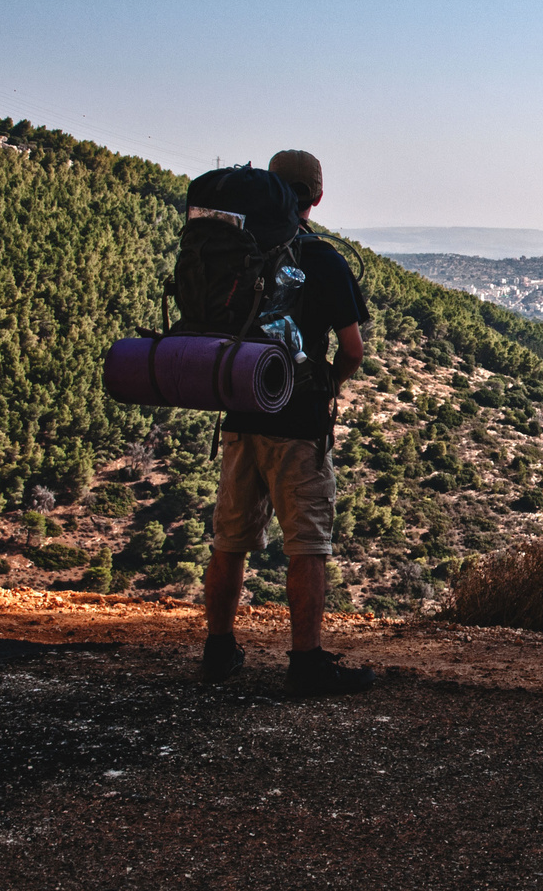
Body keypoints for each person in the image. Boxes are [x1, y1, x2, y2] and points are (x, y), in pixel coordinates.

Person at [200, 149, 376, 696]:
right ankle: (305, 661)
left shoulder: (238, 251)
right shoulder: (322, 258)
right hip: (298, 420)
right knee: (307, 546)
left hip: (239, 409)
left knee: (230, 540)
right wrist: (332, 384)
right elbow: (352, 348)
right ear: (317, 196)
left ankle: (219, 648)